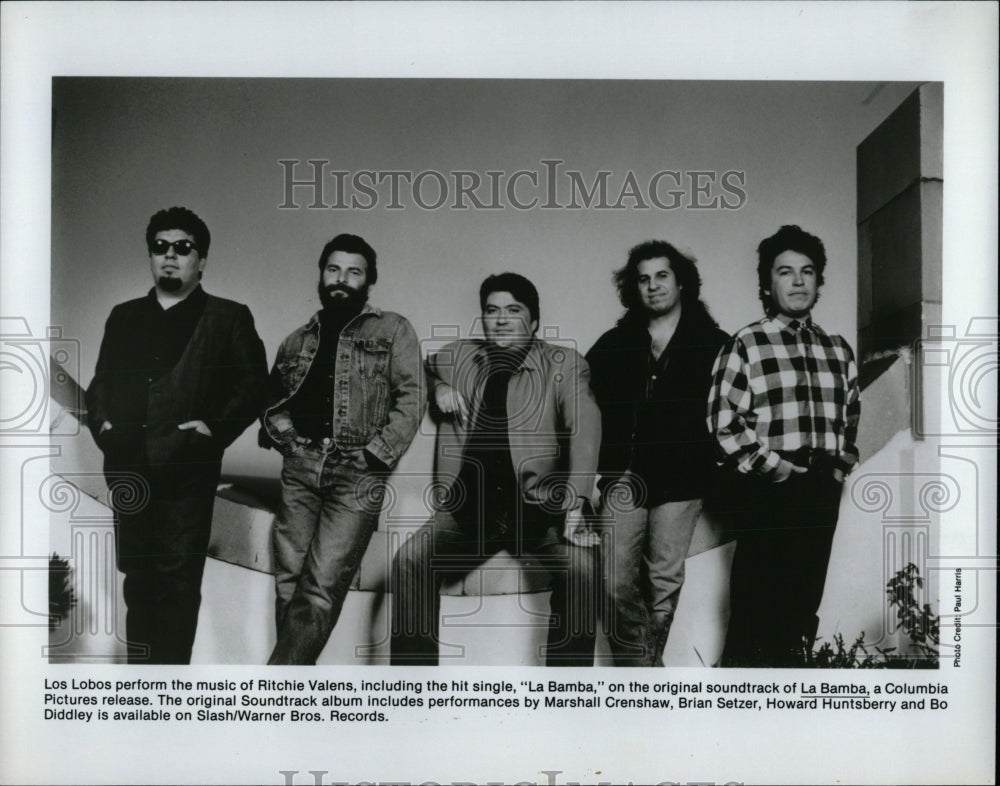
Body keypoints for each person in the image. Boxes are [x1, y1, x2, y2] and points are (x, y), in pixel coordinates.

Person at [85, 206, 268, 664]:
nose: (170, 257)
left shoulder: (228, 318)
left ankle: (169, 699)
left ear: (201, 260)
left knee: (177, 589)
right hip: (129, 470)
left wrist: (214, 430)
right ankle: (143, 695)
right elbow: (101, 385)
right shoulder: (123, 317)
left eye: (183, 249)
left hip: (188, 472)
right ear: (151, 255)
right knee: (138, 584)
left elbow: (254, 387)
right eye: (160, 247)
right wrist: (106, 428)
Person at [391, 273, 601, 665]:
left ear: (534, 321)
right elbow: (415, 368)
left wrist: (576, 504)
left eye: (513, 310)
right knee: (410, 561)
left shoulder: (564, 364)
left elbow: (585, 430)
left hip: (540, 511)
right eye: (491, 311)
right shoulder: (460, 356)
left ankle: (568, 698)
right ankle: (411, 692)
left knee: (583, 572)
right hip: (468, 509)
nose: (501, 320)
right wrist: (438, 388)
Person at [261, 233, 423, 665]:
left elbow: (412, 399)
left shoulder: (393, 330)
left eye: (354, 271)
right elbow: (271, 401)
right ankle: (293, 696)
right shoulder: (296, 340)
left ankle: (274, 694)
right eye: (333, 269)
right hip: (301, 467)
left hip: (357, 472)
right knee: (289, 584)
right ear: (321, 274)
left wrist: (374, 455)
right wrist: (291, 444)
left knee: (320, 587)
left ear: (369, 280)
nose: (341, 279)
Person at [708, 225, 861, 667]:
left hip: (820, 486)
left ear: (818, 281)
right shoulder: (747, 343)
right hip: (767, 486)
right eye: (785, 272)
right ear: (766, 284)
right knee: (756, 602)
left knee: (802, 601)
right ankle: (740, 701)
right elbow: (722, 422)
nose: (798, 281)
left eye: (807, 271)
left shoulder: (837, 349)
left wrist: (837, 467)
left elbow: (850, 414)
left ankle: (791, 696)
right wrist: (773, 468)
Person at [586, 241, 728, 666]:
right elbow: (578, 396)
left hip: (682, 479)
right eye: (643, 279)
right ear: (635, 288)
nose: (653, 286)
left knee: (662, 584)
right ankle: (647, 676)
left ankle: (639, 683)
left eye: (662, 276)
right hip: (623, 475)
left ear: (681, 281)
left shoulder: (714, 343)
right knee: (612, 582)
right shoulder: (615, 342)